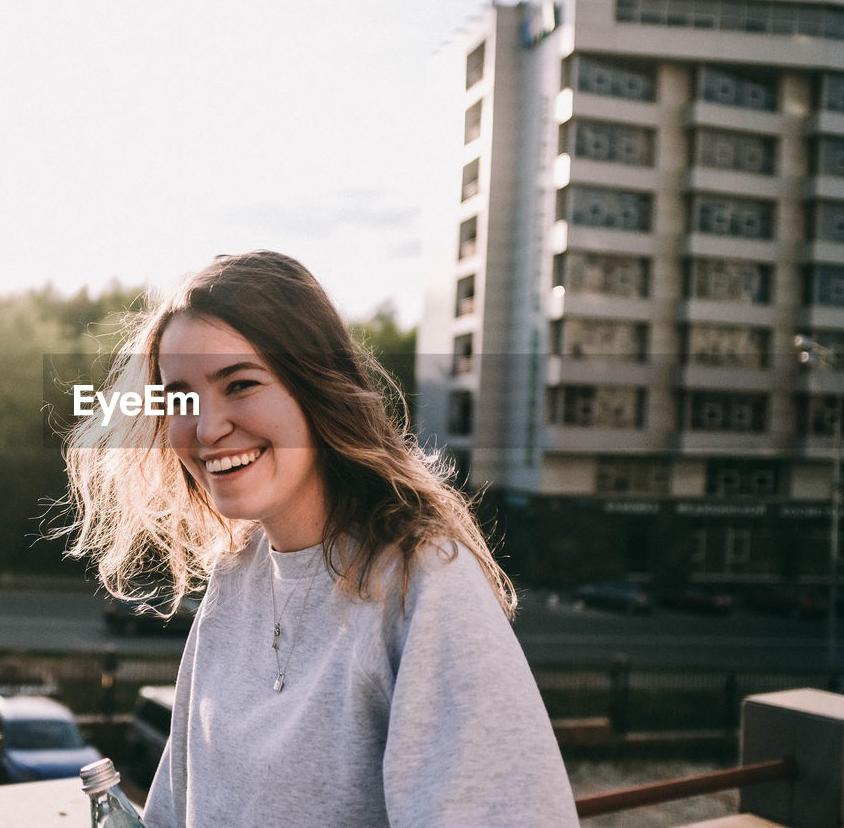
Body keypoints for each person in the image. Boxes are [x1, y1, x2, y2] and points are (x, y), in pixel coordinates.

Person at [60, 251, 578, 827]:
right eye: (180, 397)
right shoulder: (234, 578)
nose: (207, 429)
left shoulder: (422, 582)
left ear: (317, 389)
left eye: (240, 384)